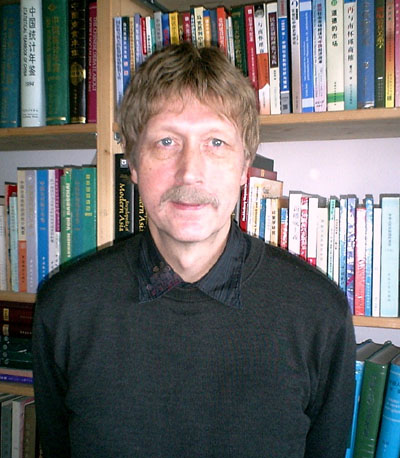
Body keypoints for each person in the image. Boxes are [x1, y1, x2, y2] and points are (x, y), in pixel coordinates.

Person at [32, 42, 356, 458]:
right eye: (166, 141)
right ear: (133, 162)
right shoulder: (65, 307)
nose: (189, 172)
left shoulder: (319, 314)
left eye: (216, 143)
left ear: (245, 166)